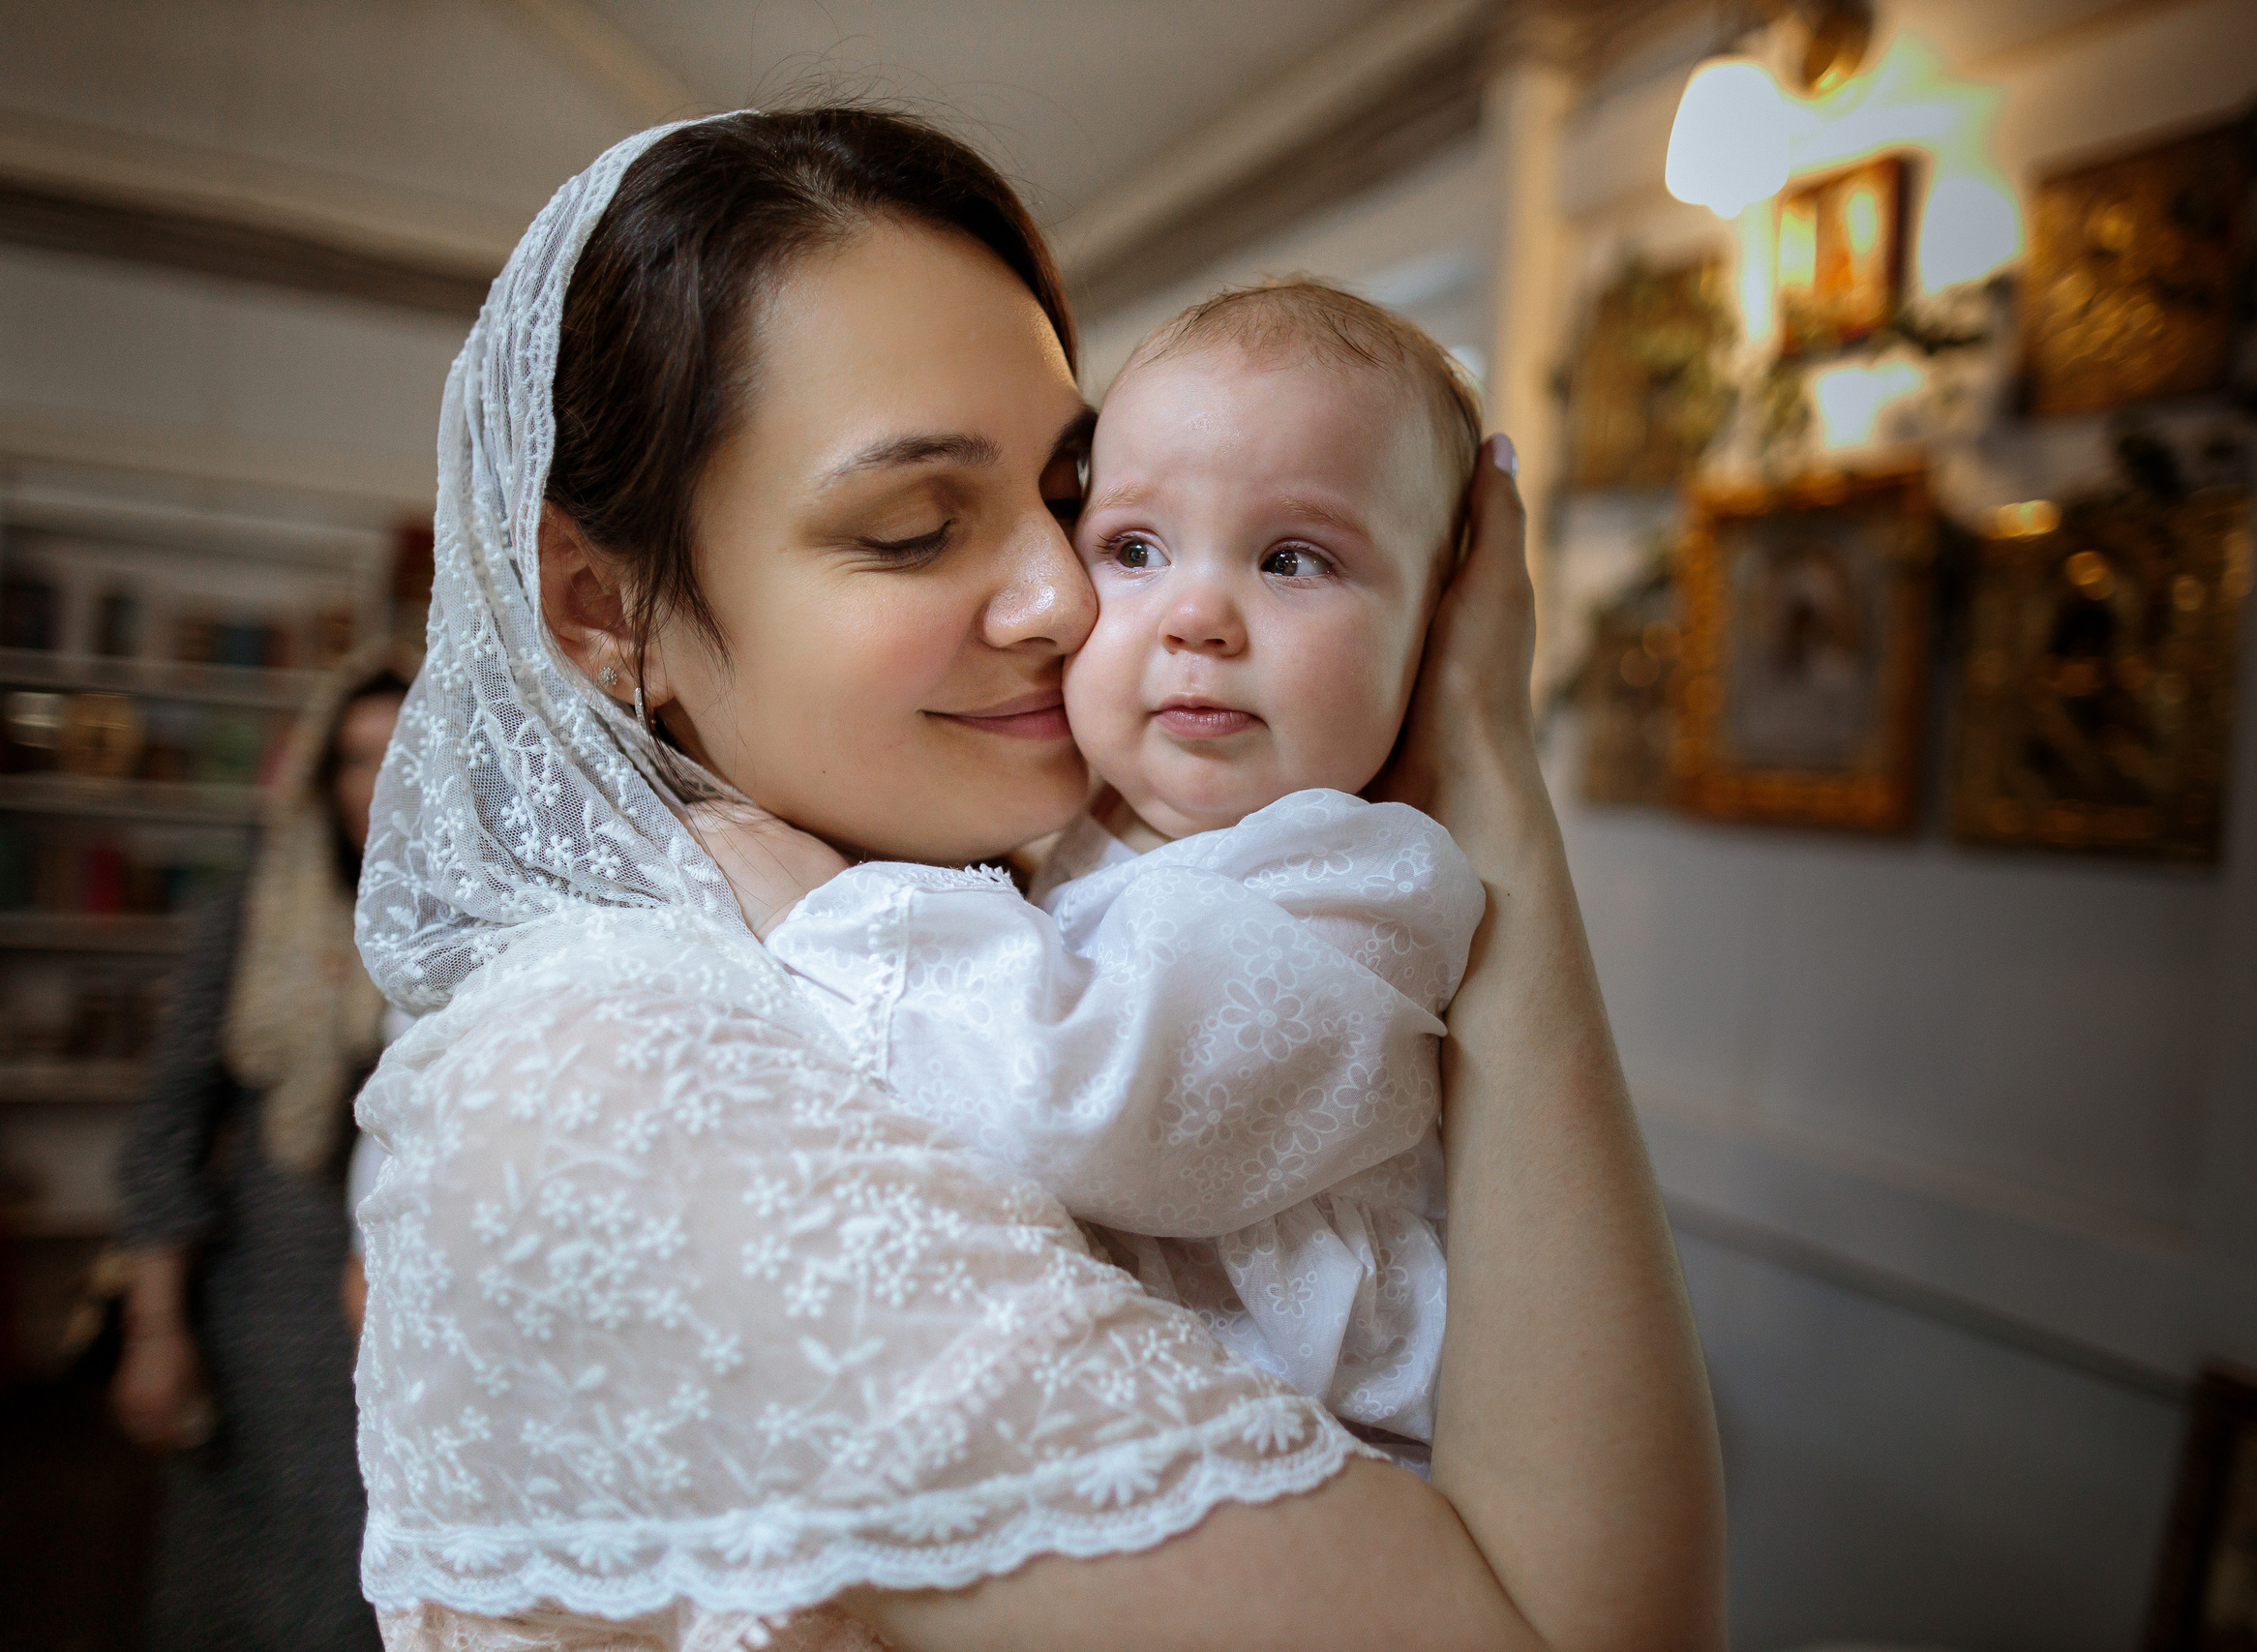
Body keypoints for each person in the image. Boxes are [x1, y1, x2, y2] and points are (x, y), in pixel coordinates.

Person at [353, 107, 1725, 1651]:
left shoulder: (1030, 883)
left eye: (1069, 494)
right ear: (605, 606)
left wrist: (1479, 767)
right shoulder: (625, 1079)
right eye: (918, 525)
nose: (1072, 595)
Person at [717, 279, 1491, 1451]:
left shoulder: (1363, 887)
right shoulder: (1092, 826)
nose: (1197, 616)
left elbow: (1086, 1106)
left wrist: (818, 906)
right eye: (1133, 547)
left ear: (1434, 627)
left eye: (1293, 559)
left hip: (1329, 1457)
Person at [111, 641, 415, 1652]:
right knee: (263, 1584)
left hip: (409, 1309)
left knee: (383, 1586)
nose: (377, 783)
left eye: (401, 750)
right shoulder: (251, 919)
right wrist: (158, 1331)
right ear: (322, 777)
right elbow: (165, 1133)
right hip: (270, 1311)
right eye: (354, 759)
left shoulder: (471, 924)